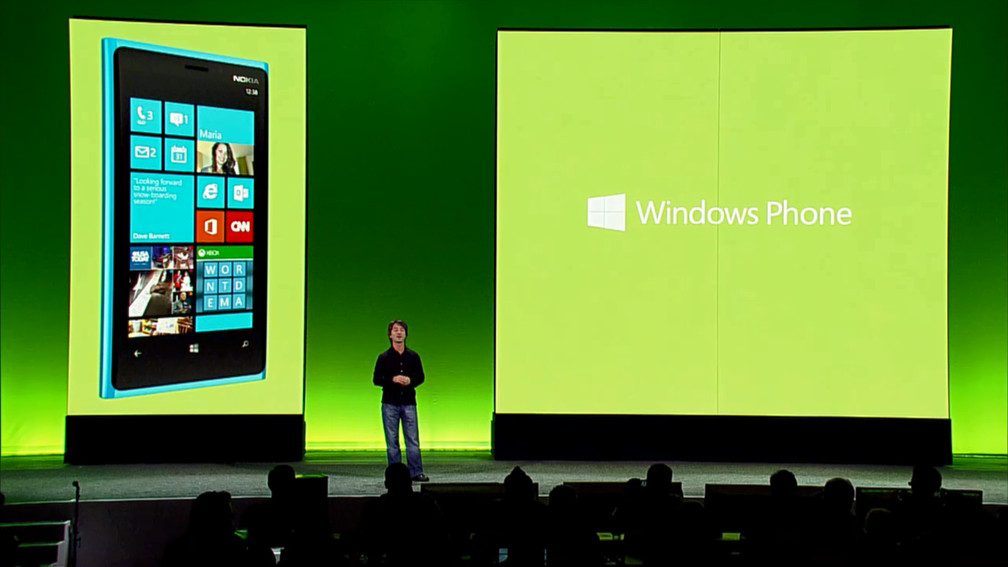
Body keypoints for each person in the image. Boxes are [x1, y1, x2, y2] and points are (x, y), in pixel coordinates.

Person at [373, 319, 428, 481]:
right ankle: (395, 475)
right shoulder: (383, 357)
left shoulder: (413, 356)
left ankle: (415, 472)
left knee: (412, 440)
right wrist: (393, 379)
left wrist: (410, 381)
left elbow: (421, 377)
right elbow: (376, 379)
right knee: (392, 442)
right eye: (395, 330)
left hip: (409, 403)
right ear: (390, 335)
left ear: (406, 334)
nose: (399, 333)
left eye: (401, 330)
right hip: (389, 403)